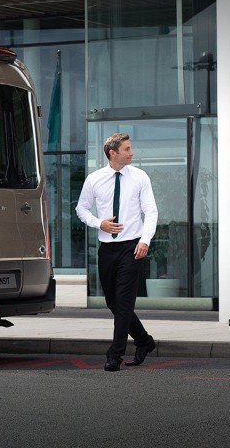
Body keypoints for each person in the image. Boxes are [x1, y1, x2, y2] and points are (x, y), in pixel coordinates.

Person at [76, 132, 158, 371]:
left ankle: (115, 355)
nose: (132, 153)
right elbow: (81, 209)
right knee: (113, 302)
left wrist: (145, 240)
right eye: (127, 149)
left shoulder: (140, 177)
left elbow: (150, 211)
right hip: (107, 249)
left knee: (123, 303)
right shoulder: (94, 179)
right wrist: (98, 223)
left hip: (133, 247)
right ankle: (144, 341)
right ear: (113, 153)